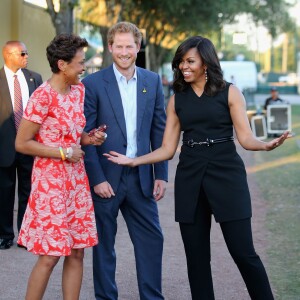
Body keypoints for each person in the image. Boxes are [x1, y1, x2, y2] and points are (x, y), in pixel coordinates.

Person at [104, 36, 290, 300]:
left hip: (227, 174)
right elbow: (167, 149)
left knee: (243, 252)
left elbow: (245, 138)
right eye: (181, 62)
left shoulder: (230, 92)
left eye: (190, 61)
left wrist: (265, 146)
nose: (183, 66)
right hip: (190, 177)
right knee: (196, 258)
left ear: (206, 63)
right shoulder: (176, 101)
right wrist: (133, 160)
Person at [15, 33, 106, 300]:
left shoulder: (79, 91)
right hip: (50, 184)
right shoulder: (42, 96)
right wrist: (63, 152)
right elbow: (22, 143)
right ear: (62, 64)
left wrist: (90, 138)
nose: (84, 67)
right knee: (51, 255)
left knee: (78, 250)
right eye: (80, 62)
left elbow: (75, 136)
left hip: (76, 182)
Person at [82, 21, 168, 300]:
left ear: (138, 47)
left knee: (152, 240)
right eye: (118, 46)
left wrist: (161, 174)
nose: (123, 51)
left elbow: (159, 130)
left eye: (129, 46)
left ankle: (152, 297)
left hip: (142, 176)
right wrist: (97, 180)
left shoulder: (152, 81)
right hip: (106, 178)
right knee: (104, 245)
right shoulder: (92, 84)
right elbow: (87, 135)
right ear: (110, 48)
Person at [0, 41, 43, 250]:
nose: (27, 56)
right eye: (23, 53)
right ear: (9, 55)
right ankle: (5, 234)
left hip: (29, 146)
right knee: (4, 192)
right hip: (4, 147)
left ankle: (25, 235)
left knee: (28, 190)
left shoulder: (35, 78)